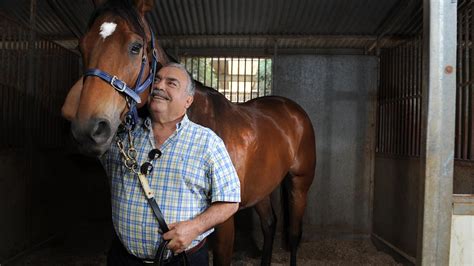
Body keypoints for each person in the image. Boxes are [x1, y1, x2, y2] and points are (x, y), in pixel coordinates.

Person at [101, 62, 241, 265]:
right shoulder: (123, 136)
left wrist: (196, 227)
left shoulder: (207, 142)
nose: (159, 86)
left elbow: (230, 200)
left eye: (171, 83)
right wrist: (97, 73)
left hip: (182, 260)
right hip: (124, 259)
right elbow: (70, 111)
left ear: (188, 100)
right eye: (156, 80)